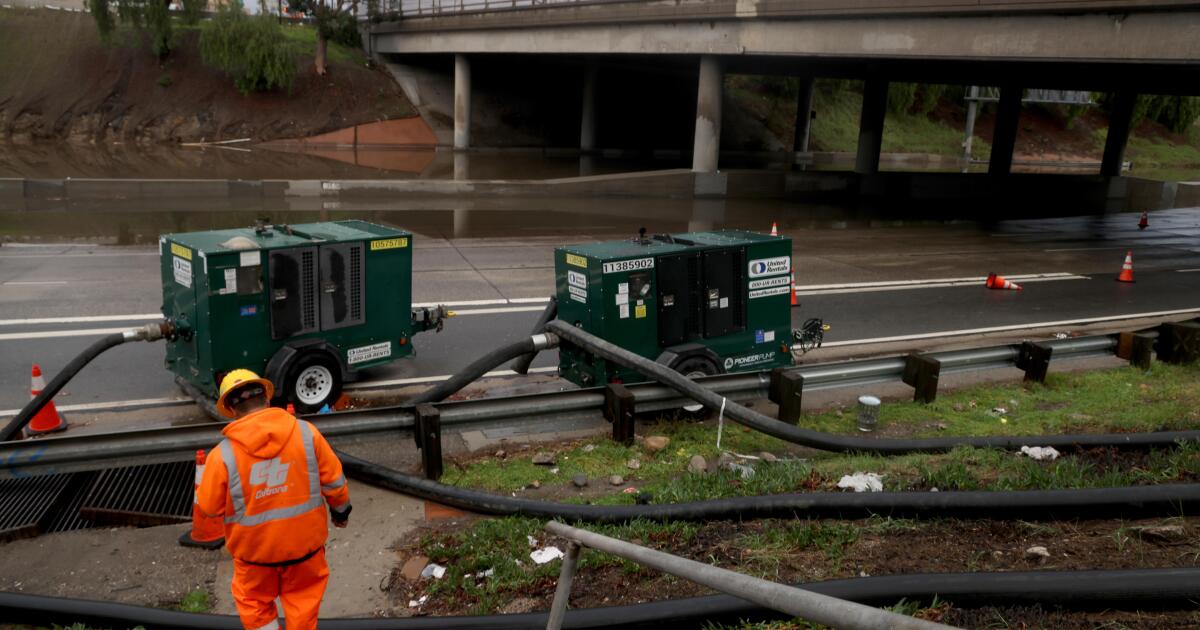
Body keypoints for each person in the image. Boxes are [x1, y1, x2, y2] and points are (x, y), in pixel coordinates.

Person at [197, 369, 351, 630]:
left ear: (232, 410)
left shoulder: (221, 456)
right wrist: (340, 513)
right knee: (303, 606)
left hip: (255, 557)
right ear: (267, 399)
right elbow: (334, 482)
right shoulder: (306, 433)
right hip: (305, 550)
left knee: (255, 607)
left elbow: (209, 507)